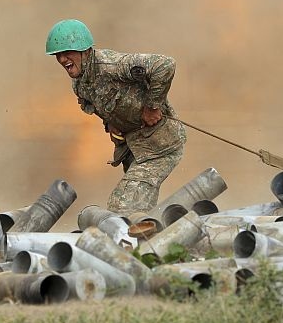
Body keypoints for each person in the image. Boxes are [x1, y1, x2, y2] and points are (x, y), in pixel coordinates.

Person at [45, 19, 186, 216]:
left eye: (67, 53)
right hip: (134, 149)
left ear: (85, 51)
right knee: (138, 207)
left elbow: (165, 65)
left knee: (123, 208)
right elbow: (101, 106)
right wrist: (111, 123)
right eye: (58, 55)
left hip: (159, 145)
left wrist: (152, 106)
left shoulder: (112, 65)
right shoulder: (80, 84)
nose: (62, 59)